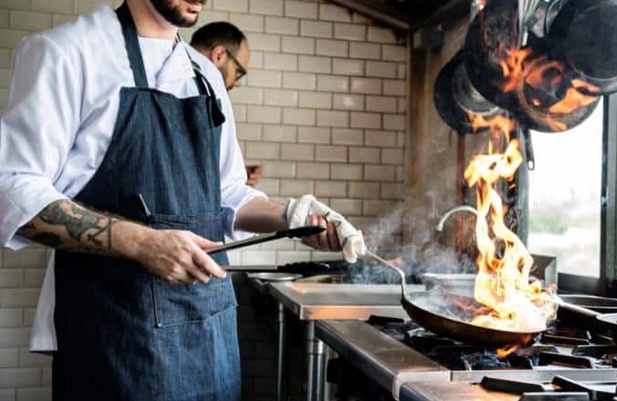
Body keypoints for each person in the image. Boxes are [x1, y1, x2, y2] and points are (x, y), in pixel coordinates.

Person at [0, 0, 366, 400]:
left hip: (210, 334)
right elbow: (14, 188)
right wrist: (143, 243)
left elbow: (226, 192)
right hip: (116, 337)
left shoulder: (204, 74)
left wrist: (292, 216)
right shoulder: (66, 53)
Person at [190, 21, 261, 187]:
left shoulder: (209, 95)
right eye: (238, 72)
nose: (237, 83)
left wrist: (230, 174)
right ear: (219, 55)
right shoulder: (200, 94)